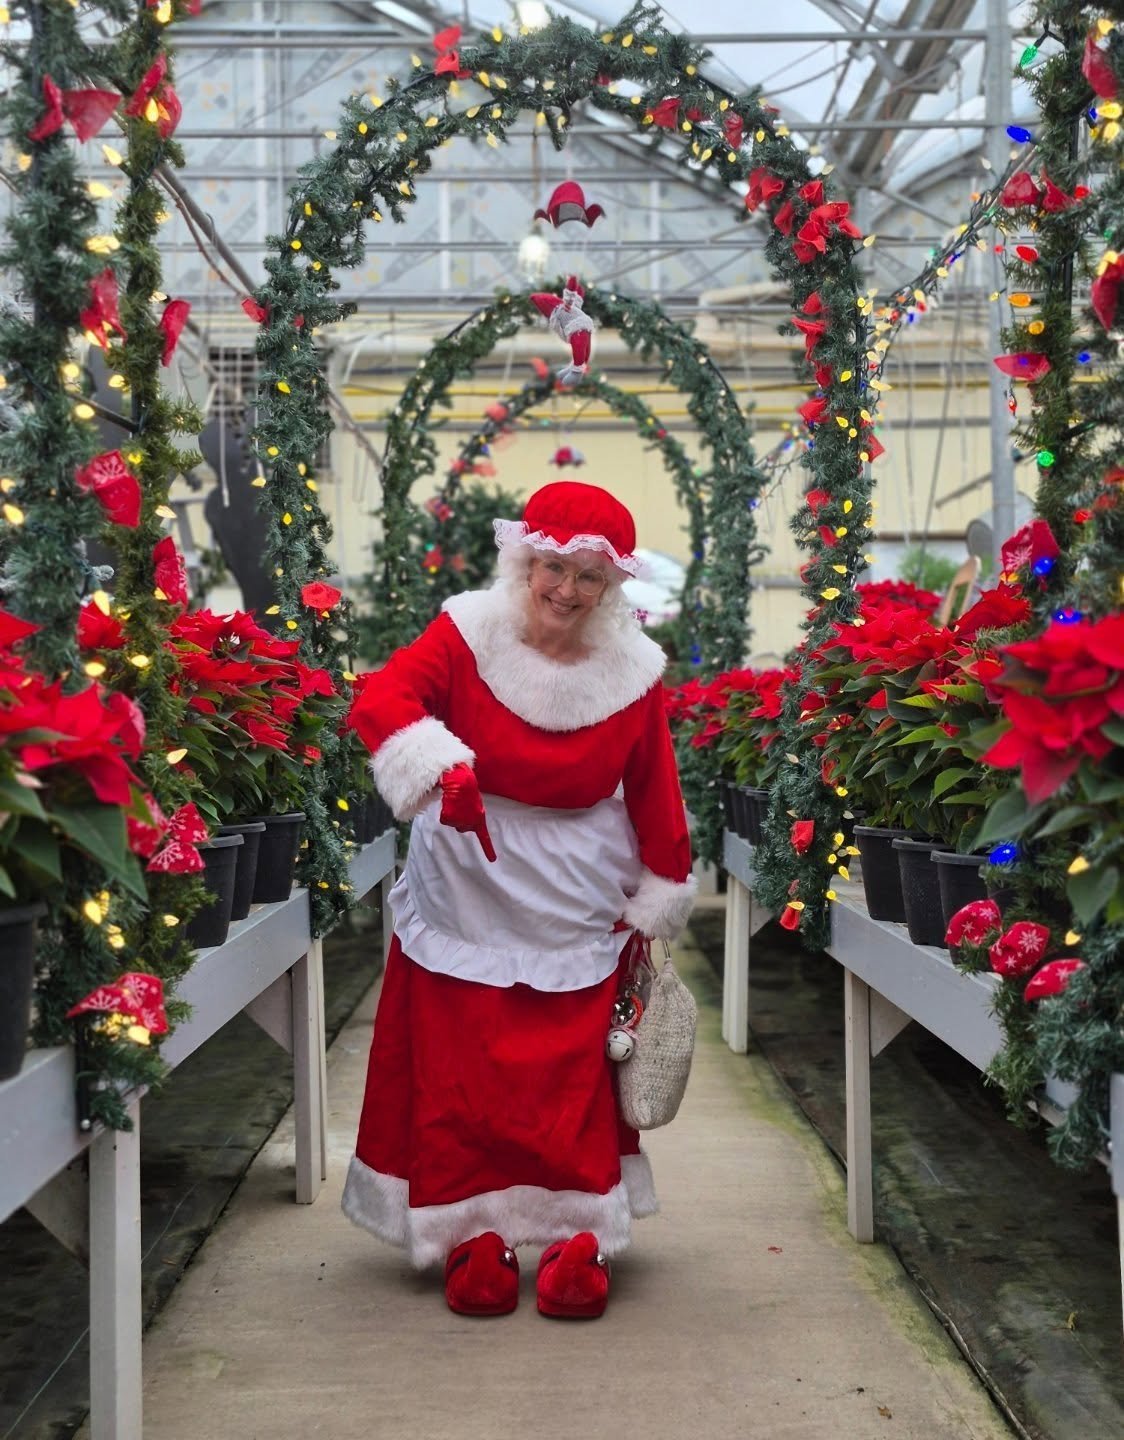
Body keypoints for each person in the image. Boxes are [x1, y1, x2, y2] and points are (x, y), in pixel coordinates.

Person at [343, 480, 695, 1319]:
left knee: (573, 1060)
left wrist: (664, 882)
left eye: (588, 578)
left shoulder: (635, 672)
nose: (565, 591)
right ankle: (473, 1230)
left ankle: (579, 1232)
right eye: (551, 568)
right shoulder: (466, 632)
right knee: (466, 1054)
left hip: (579, 888)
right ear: (522, 561)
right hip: (467, 872)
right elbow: (382, 699)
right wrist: (440, 765)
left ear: (611, 588)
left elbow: (655, 786)